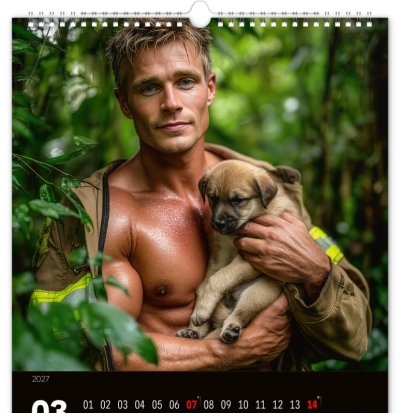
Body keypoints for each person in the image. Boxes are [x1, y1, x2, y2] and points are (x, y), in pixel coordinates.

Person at [32, 21, 371, 371]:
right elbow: (71, 351)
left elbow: (354, 337)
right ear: (125, 103)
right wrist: (222, 354)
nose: (171, 103)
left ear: (209, 88)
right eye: (149, 88)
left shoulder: (267, 188)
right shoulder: (99, 215)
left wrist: (315, 271)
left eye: (185, 82)